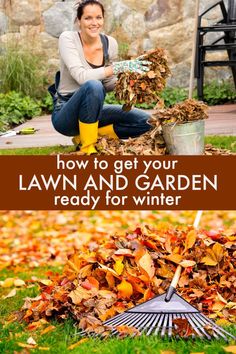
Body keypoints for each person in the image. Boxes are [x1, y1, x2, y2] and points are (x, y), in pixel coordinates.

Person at [51, 0, 152, 155]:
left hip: (93, 111)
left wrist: (131, 83)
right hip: (66, 113)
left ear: (103, 19)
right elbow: (81, 77)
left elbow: (108, 83)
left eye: (98, 17)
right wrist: (118, 67)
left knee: (146, 122)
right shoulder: (68, 39)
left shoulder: (110, 43)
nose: (94, 23)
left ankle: (86, 138)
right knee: (92, 85)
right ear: (79, 21)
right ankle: (88, 149)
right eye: (88, 18)